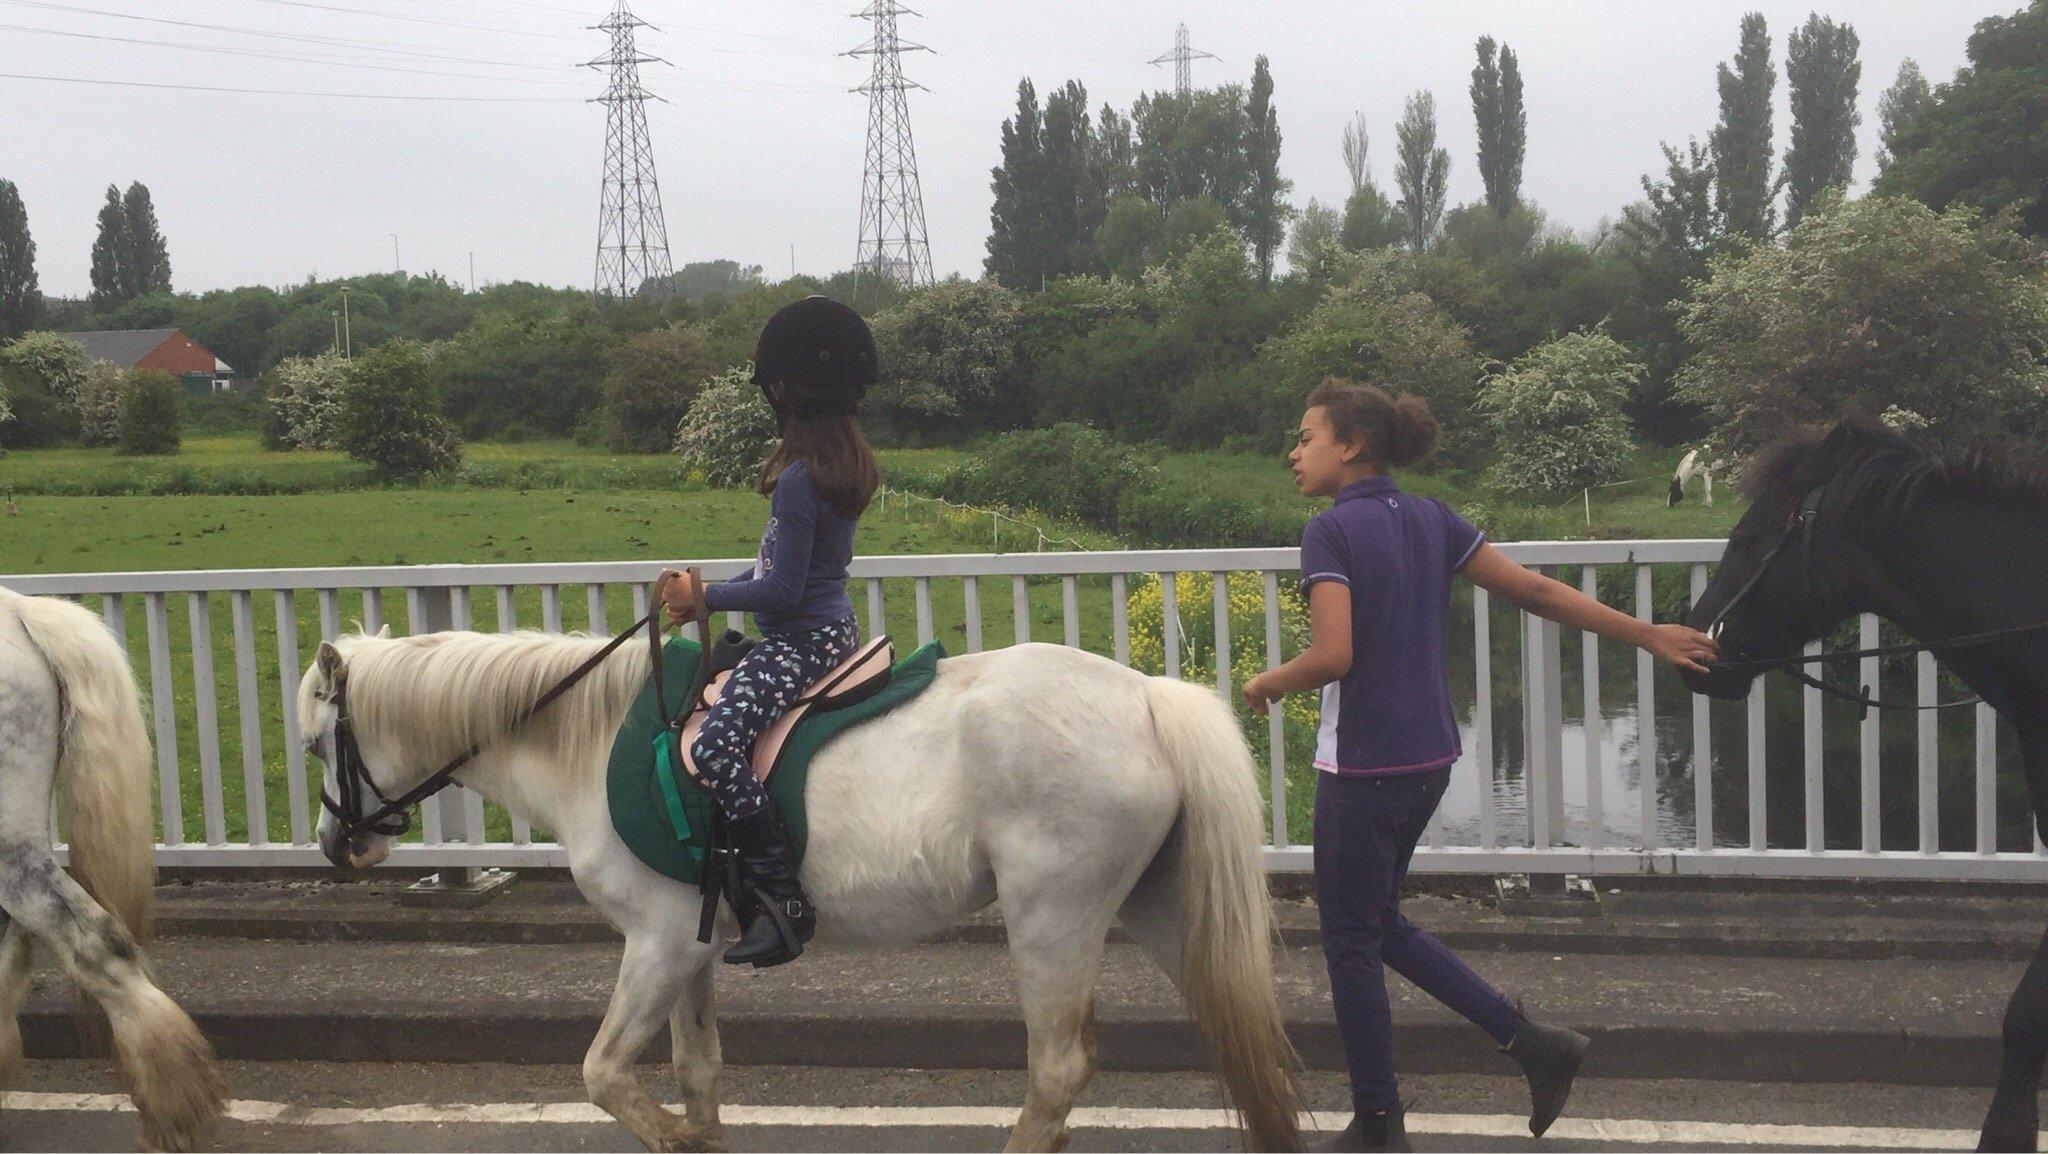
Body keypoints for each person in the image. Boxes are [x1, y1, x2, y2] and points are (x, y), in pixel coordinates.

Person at [1242, 379, 1720, 1152]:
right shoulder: (1433, 519)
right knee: (1376, 922)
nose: (1293, 453)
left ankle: (1378, 1123)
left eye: (1305, 437)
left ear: (1351, 445)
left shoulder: (1329, 532)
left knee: (1350, 940)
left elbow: (1335, 655)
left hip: (1364, 765)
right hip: (1430, 756)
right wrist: (1648, 634)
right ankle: (1531, 1044)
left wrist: (1266, 681)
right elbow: (1534, 590)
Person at [655, 295, 880, 969]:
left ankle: (780, 898)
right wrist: (707, 592)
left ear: (784, 395)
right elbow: (775, 566)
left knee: (719, 744)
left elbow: (779, 590)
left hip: (800, 644)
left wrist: (704, 598)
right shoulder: (837, 468)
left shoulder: (797, 482)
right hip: (831, 633)